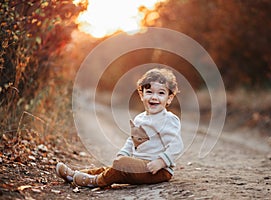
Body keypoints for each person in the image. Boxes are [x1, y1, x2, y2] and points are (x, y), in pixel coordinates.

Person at [56, 67, 184, 188]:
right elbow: (132, 140)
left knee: (121, 164)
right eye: (149, 92)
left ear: (169, 98)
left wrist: (161, 162)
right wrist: (124, 153)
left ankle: (96, 181)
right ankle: (75, 175)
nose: (154, 97)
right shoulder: (140, 118)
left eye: (161, 93)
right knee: (113, 167)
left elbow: (176, 145)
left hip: (159, 170)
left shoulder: (168, 120)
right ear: (141, 95)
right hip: (140, 165)